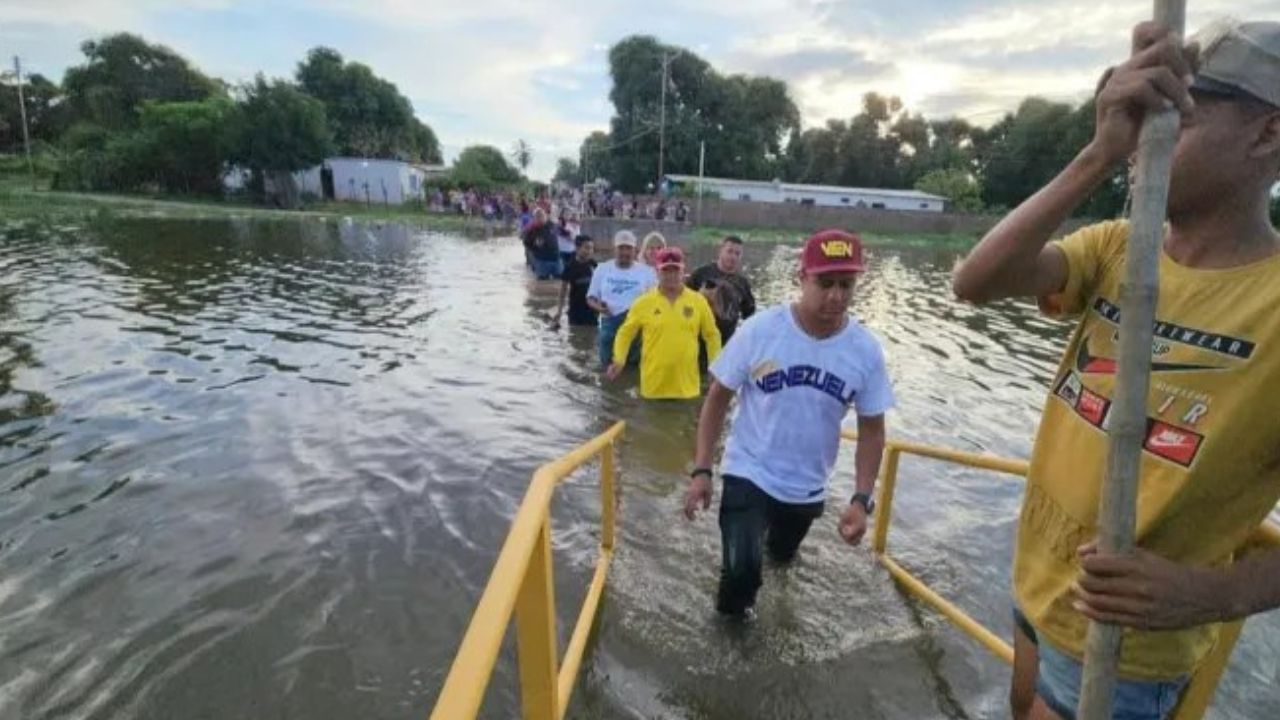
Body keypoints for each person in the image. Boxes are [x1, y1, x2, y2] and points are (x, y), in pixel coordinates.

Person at [952, 20, 1280, 720]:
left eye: (1174, 117)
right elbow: (974, 283)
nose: (1143, 136)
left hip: (1124, 649)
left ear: (1268, 135)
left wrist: (1215, 597)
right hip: (1038, 584)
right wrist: (1098, 154)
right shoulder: (1119, 248)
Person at [684, 229, 894, 617]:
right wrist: (702, 468)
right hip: (749, 470)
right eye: (825, 283)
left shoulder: (865, 351)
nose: (836, 295)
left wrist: (861, 499)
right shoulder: (761, 330)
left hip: (807, 487)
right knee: (741, 574)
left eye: (846, 285)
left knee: (780, 560)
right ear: (802, 278)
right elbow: (717, 398)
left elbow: (872, 429)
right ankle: (732, 648)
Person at [607, 247, 721, 400]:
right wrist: (619, 359)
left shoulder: (698, 301)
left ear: (683, 271)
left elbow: (712, 335)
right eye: (666, 270)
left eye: (675, 270)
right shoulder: (643, 302)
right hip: (653, 387)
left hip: (687, 388)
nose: (671, 275)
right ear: (657, 272)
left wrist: (714, 365)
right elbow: (625, 333)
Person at [587, 231, 657, 367]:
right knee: (607, 368)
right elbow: (591, 298)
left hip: (636, 326)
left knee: (633, 368)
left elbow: (655, 301)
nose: (625, 252)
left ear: (635, 250)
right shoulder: (602, 269)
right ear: (614, 249)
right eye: (621, 248)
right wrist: (600, 308)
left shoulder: (647, 272)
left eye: (628, 248)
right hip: (608, 324)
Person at [688, 235, 757, 345]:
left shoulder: (742, 283)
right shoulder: (700, 274)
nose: (733, 256)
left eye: (737, 253)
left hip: (726, 345)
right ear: (720, 251)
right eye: (729, 251)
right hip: (699, 342)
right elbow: (683, 304)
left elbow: (749, 315)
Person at [552, 235, 598, 330]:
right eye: (586, 248)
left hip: (593, 311)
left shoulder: (594, 265)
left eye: (592, 248)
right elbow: (563, 291)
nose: (589, 251)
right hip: (575, 311)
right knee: (575, 337)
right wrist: (559, 311)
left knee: (592, 338)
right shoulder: (570, 266)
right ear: (577, 248)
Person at [521, 208, 562, 280]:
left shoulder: (552, 224)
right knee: (543, 281)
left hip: (556, 259)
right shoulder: (531, 229)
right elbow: (526, 242)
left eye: (542, 215)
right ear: (534, 218)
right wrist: (535, 249)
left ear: (546, 216)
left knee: (559, 280)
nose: (541, 218)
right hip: (542, 261)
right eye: (538, 216)